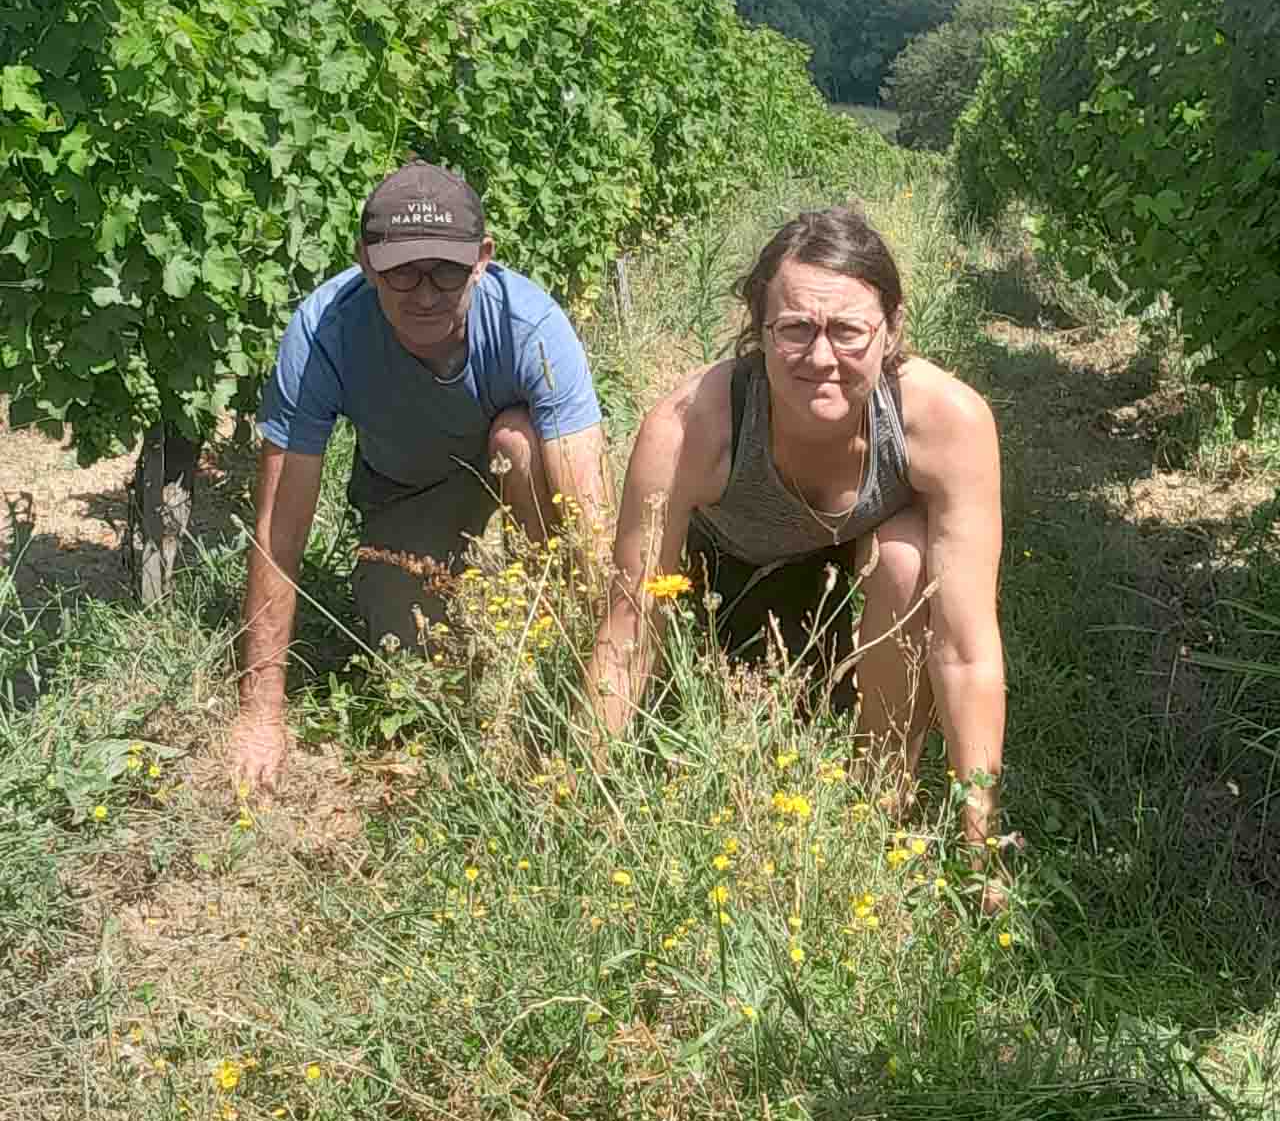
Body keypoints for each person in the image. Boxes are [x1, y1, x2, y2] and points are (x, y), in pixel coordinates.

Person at [585, 203, 1007, 896]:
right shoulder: (691, 428)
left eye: (848, 330)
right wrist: (580, 801)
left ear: (891, 330)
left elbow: (967, 647)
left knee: (906, 556)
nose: (821, 358)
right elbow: (629, 628)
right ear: (758, 330)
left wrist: (979, 841)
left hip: (855, 591)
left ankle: (883, 799)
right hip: (731, 595)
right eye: (795, 329)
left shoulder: (946, 422)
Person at [230, 159, 609, 791]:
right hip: (407, 490)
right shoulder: (324, 332)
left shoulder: (531, 327)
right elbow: (280, 528)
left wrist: (603, 667)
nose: (425, 294)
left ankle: (546, 617)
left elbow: (589, 517)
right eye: (402, 271)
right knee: (420, 670)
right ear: (365, 262)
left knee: (518, 443)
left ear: (482, 259)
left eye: (446, 270)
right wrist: (260, 711)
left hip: (510, 464)